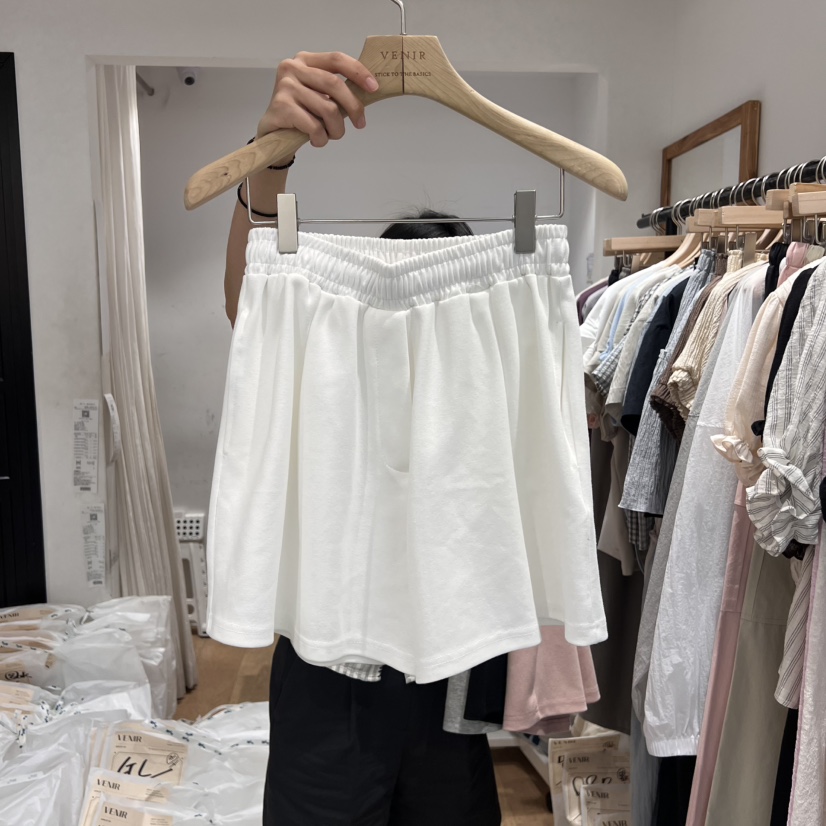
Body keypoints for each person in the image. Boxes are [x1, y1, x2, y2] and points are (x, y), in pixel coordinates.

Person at [223, 51, 502, 826]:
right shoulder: (332, 363)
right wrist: (270, 163)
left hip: (453, 670)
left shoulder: (491, 369)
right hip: (332, 657)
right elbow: (254, 307)